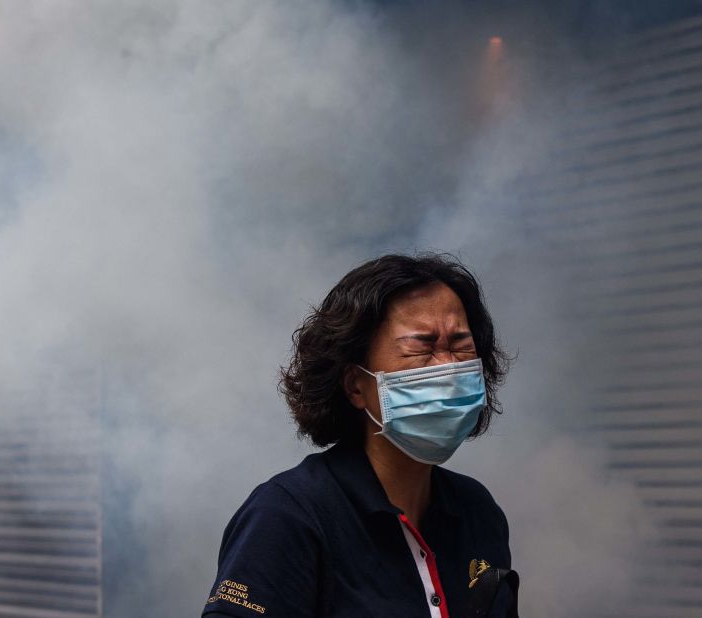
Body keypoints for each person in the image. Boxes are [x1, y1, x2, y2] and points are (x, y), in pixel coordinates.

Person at [201, 253, 515, 618]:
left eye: (461, 345)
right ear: (355, 385)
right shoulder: (288, 515)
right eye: (422, 347)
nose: (448, 367)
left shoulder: (478, 512)